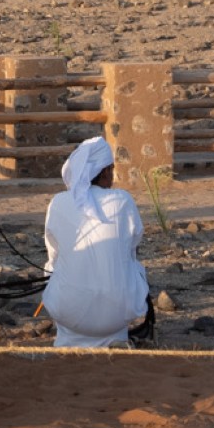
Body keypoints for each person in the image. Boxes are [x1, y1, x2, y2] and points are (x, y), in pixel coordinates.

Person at [41, 136, 150, 349]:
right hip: (116, 317)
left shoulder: (59, 202)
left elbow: (53, 252)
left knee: (53, 267)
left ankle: (69, 336)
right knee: (134, 265)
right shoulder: (123, 200)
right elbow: (133, 244)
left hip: (68, 315)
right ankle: (115, 338)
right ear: (105, 171)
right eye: (112, 169)